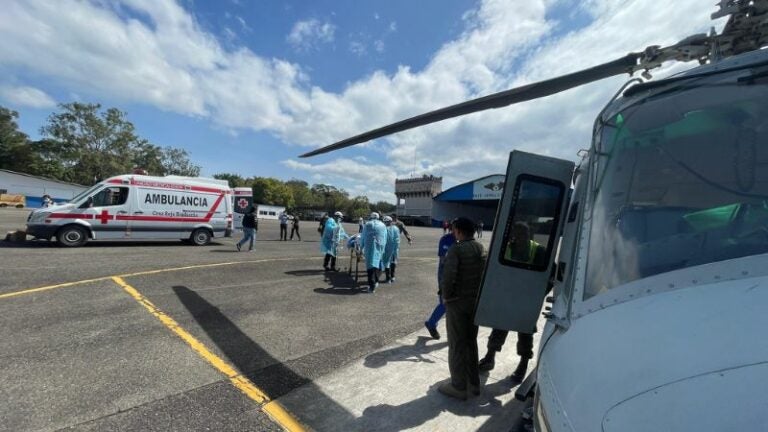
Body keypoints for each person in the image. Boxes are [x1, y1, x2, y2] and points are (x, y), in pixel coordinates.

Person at [478, 222, 546, 385]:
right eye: (516, 234)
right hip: (508, 297)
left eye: (523, 235)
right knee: (499, 327)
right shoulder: (507, 247)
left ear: (529, 235)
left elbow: (549, 275)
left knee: (525, 332)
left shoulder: (539, 250)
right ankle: (490, 357)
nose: (518, 238)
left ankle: (523, 363)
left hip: (527, 299)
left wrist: (538, 295)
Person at [439, 217, 486, 400]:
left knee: (457, 344)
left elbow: (448, 277)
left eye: (454, 230)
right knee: (470, 342)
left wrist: (446, 296)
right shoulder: (480, 248)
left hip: (458, 303)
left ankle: (458, 386)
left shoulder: (456, 249)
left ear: (458, 231)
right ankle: (473, 384)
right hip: (475, 302)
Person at [423, 219, 456, 340]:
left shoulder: (463, 240)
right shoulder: (446, 239)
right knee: (445, 303)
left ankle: (433, 324)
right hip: (445, 274)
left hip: (458, 276)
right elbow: (443, 260)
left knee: (452, 305)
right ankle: (431, 324)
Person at [361, 212, 387, 293]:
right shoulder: (383, 225)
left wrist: (361, 247)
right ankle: (375, 282)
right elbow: (385, 237)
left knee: (370, 267)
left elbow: (363, 236)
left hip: (370, 247)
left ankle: (371, 287)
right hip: (379, 247)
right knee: (376, 264)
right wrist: (383, 249)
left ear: (371, 217)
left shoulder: (368, 224)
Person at [381, 216, 401, 283]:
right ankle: (392, 276)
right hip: (394, 249)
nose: (385, 223)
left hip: (387, 249)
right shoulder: (396, 228)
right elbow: (398, 239)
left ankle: (388, 278)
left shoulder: (384, 229)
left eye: (386, 222)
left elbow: (382, 239)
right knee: (393, 262)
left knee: (387, 263)